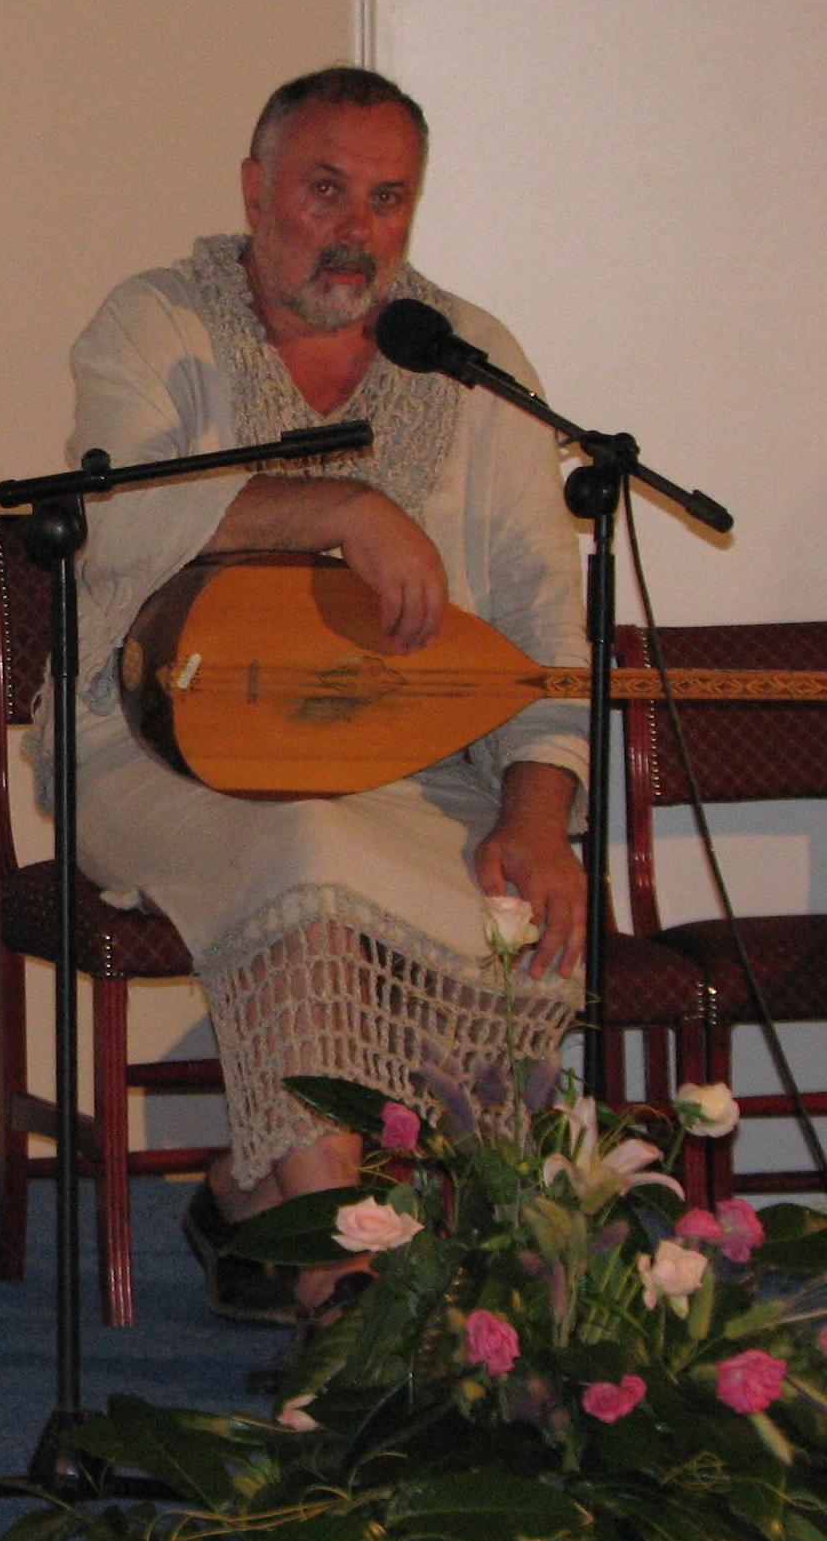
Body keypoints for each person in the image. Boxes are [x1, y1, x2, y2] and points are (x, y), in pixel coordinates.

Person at [47, 67, 587, 1324]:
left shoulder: (468, 359)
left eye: (387, 199)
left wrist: (537, 811)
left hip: (409, 756)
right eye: (325, 189)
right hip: (151, 743)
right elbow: (113, 516)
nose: (356, 228)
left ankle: (256, 1191)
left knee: (502, 900)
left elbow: (541, 617)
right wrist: (336, 506)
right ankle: (342, 1272)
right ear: (255, 191)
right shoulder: (154, 325)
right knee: (306, 851)